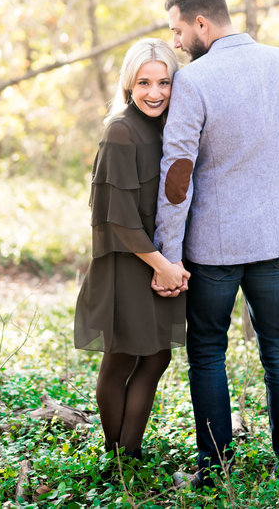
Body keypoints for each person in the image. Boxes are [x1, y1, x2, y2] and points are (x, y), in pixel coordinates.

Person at [152, 0, 279, 487]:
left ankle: (215, 468)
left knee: (206, 351)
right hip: (277, 238)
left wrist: (170, 256)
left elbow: (177, 176)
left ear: (202, 24)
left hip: (213, 249)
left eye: (178, 30)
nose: (176, 42)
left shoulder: (195, 81)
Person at [73, 38, 190, 468]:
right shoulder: (120, 130)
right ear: (129, 83)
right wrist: (163, 266)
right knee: (122, 355)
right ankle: (117, 456)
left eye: (164, 82)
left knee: (157, 354)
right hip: (128, 261)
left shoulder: (167, 128)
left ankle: (128, 452)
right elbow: (117, 216)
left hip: (162, 259)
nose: (155, 92)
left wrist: (172, 263)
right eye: (144, 82)